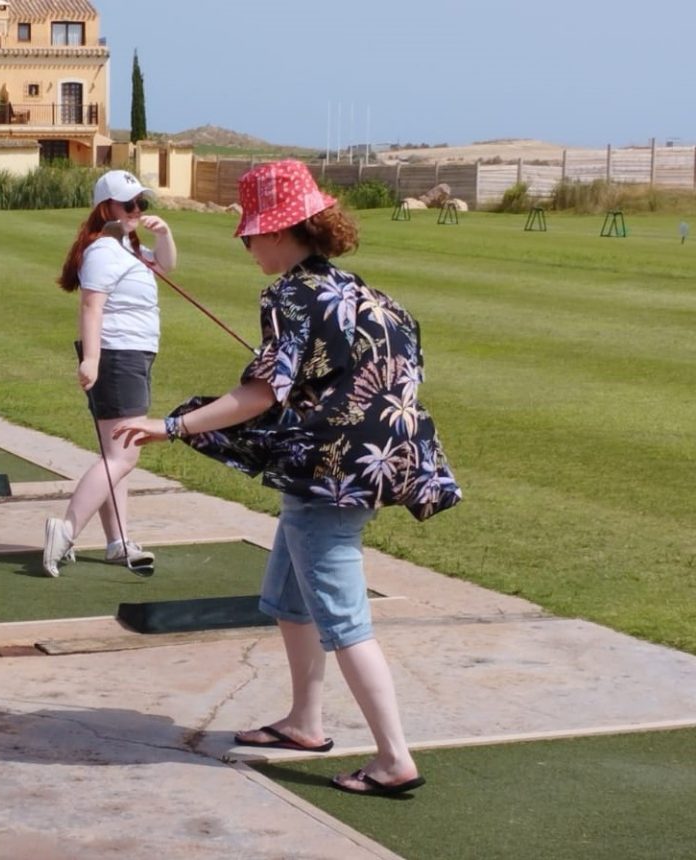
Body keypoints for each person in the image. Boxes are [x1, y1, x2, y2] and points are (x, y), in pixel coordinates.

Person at [113, 160, 461, 796]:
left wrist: (173, 426)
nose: (245, 245)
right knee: (291, 598)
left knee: (343, 618)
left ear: (278, 232)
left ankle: (392, 758)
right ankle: (305, 721)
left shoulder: (288, 295)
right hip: (370, 465)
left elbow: (260, 395)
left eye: (250, 234)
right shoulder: (368, 294)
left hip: (330, 476)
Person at [42, 169, 178, 577]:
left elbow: (167, 267)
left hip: (128, 355)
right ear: (107, 208)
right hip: (119, 356)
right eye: (129, 204)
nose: (137, 210)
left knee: (114, 454)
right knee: (124, 454)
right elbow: (91, 306)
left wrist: (164, 234)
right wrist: (93, 361)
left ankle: (118, 541)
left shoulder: (128, 245)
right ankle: (65, 530)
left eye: (141, 203)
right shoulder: (104, 250)